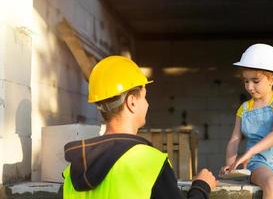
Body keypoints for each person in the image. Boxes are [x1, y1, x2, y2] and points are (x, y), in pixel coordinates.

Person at [62, 56, 218, 199]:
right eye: (144, 96)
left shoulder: (73, 172)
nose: (148, 103)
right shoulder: (150, 163)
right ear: (132, 102)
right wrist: (201, 187)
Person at [220, 44, 273, 199]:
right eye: (246, 81)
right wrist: (231, 164)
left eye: (255, 81)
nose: (250, 86)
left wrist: (248, 152)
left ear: (272, 79)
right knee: (272, 185)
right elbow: (234, 140)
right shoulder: (244, 109)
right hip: (258, 162)